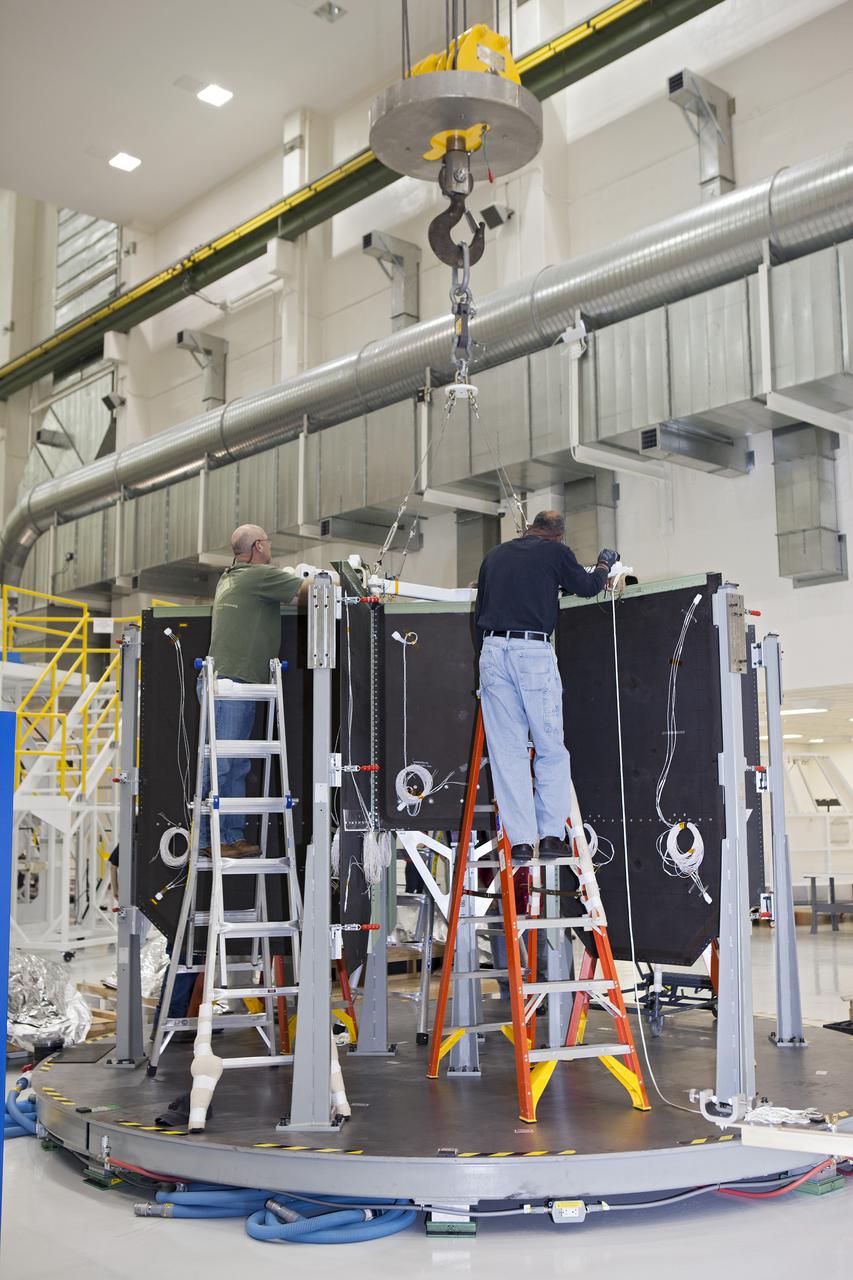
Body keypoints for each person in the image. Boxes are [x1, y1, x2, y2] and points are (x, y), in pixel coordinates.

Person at [474, 510, 618, 864]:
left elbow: (478, 611)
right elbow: (585, 588)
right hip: (532, 652)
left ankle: (522, 841)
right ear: (558, 536)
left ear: (529, 529)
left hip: (493, 652)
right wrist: (603, 566)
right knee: (550, 747)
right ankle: (552, 835)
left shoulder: (494, 556)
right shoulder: (555, 553)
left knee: (508, 753)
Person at [198, 523, 307, 856]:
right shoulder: (259, 577)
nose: (270, 547)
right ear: (259, 546)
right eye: (268, 542)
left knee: (235, 765)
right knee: (225, 764)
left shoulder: (231, 577)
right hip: (233, 683)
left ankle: (230, 836)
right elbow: (307, 591)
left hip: (231, 682)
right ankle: (208, 839)